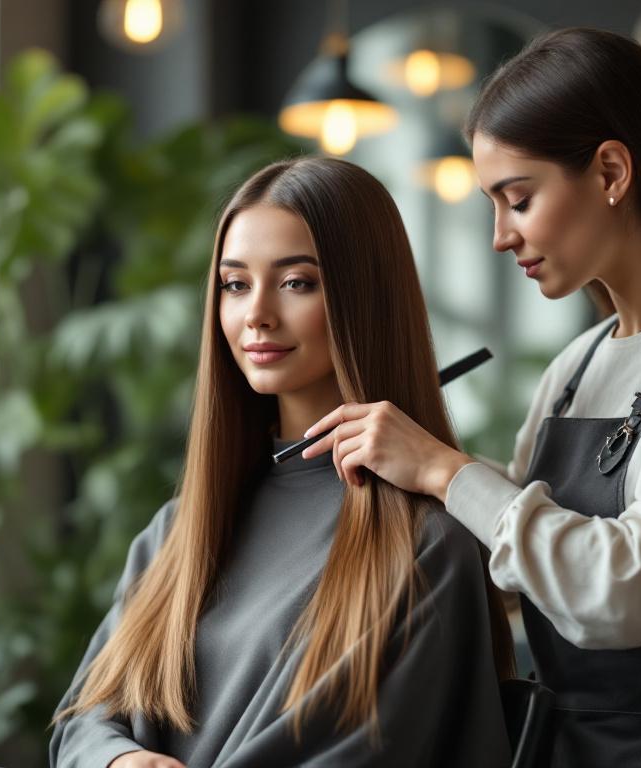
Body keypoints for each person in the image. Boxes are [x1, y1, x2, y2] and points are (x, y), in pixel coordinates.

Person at [302, 27, 641, 767]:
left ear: (612, 171)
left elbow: (630, 590)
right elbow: (527, 575)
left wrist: (444, 470)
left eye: (518, 199)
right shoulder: (577, 367)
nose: (500, 236)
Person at [49, 157, 513, 768]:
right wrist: (119, 761)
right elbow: (83, 719)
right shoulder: (178, 530)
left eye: (296, 283)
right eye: (235, 285)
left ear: (366, 297)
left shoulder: (427, 543)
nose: (256, 315)